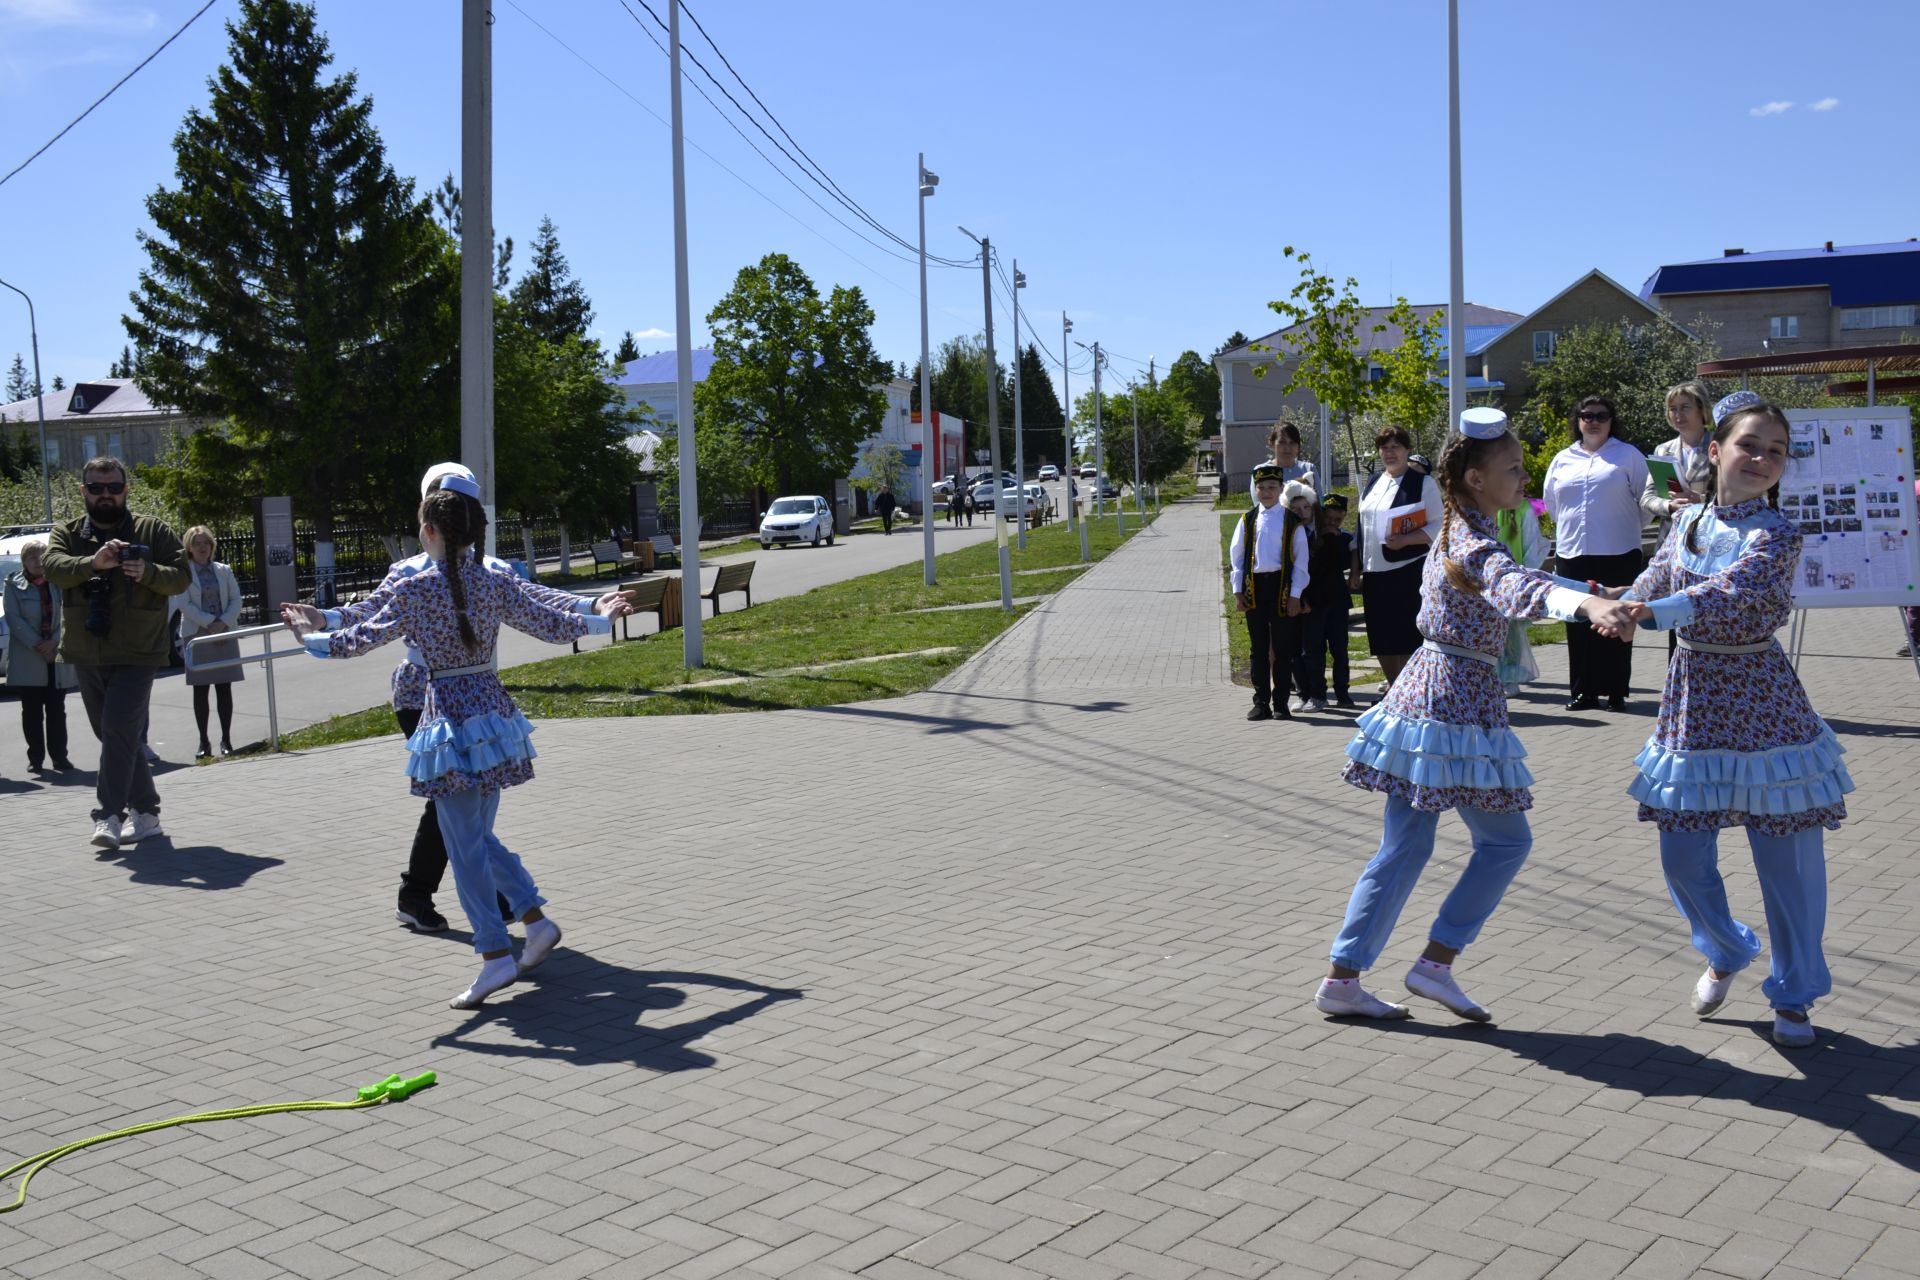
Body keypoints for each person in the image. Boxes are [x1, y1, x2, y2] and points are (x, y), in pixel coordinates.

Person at [1316, 408, 1640, 1020]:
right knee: (1501, 843)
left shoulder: (1460, 526)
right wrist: (1582, 607)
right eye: (1513, 469)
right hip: (1451, 701)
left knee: (1411, 847)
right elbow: (1514, 584)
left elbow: (1518, 578)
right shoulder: (1470, 540)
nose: (1524, 479)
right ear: (1473, 479)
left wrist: (1589, 596)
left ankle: (1349, 977)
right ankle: (1430, 964)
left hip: (1442, 693)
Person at [293, 478, 631, 1008]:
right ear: (475, 533)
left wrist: (308, 635)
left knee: (464, 844)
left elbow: (356, 640)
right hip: (492, 715)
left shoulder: (415, 586)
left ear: (427, 531)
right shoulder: (492, 578)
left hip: (448, 717)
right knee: (472, 834)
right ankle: (534, 921)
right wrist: (597, 615)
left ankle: (495, 955)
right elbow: (549, 622)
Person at [1620, 394, 1852, 1048]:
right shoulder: (1689, 523)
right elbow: (1654, 578)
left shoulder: (1777, 534)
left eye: (1776, 451)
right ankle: (1725, 948)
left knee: (1788, 861)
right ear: (1716, 451)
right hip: (1693, 701)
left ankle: (1796, 993)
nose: (1762, 459)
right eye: (1750, 445)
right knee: (1681, 853)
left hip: (1762, 699)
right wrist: (1607, 605)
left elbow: (1729, 593)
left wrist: (1650, 615)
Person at [42, 456, 189, 849]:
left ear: (126, 489)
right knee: (114, 736)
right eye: (96, 488)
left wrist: (148, 572)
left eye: (113, 487)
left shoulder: (152, 530)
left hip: (139, 650)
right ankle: (148, 813)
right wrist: (93, 562)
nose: (105, 494)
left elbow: (181, 577)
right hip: (87, 650)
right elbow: (53, 566)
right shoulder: (67, 532)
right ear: (83, 491)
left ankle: (108, 814)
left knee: (118, 729)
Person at [1543, 394, 1650, 711]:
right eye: (1587, 415)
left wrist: (1620, 524)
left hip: (1618, 551)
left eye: (1601, 416)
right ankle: (1583, 692)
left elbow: (1647, 503)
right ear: (1577, 421)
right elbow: (1552, 504)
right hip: (1573, 553)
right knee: (1578, 627)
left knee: (1617, 623)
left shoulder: (1628, 455)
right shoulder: (1563, 459)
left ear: (1611, 420)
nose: (1594, 421)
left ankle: (1616, 692)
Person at [1350, 425, 1442, 690]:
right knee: (1381, 635)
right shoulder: (1373, 482)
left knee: (1406, 634)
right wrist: (1356, 569)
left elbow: (1439, 525)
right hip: (1373, 570)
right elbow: (1360, 527)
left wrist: (1406, 540)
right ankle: (1394, 688)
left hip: (1406, 569)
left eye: (1396, 447)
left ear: (1407, 450)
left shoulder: (1422, 482)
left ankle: (1410, 690)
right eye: (1385, 447)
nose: (1390, 453)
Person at [1640, 381, 1717, 659]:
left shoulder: (1719, 445)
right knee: (1676, 619)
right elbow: (1647, 498)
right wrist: (1670, 505)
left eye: (1685, 407)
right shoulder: (1664, 450)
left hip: (1711, 545)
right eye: (1672, 409)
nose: (1678, 414)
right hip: (1673, 547)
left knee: (1705, 618)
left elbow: (1735, 495)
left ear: (1702, 410)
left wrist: (1700, 500)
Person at [1230, 463, 1310, 721]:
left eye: (1272, 487)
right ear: (1256, 489)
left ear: (1280, 489)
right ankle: (1260, 701)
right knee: (1259, 648)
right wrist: (1237, 590)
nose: (1266, 492)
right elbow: (1238, 557)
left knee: (1283, 649)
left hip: (1282, 589)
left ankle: (1281, 704)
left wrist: (1296, 594)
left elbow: (1300, 561)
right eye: (1261, 487)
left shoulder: (1291, 522)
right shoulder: (1247, 520)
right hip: (1254, 588)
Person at [5, 539, 78, 774]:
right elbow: (14, 619)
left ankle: (60, 758)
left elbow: (68, 614)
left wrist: (54, 642)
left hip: (56, 655)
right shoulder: (13, 585)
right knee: (32, 711)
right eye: (32, 557)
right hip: (30, 656)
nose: (37, 562)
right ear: (24, 561)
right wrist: (39, 645)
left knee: (57, 710)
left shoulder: (60, 583)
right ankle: (35, 758)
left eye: (41, 556)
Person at [178, 525, 244, 759]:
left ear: (212, 545)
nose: (202, 547)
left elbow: (236, 599)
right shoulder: (184, 572)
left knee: (224, 687)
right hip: (197, 633)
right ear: (189, 547)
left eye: (206, 542)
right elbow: (184, 604)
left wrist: (222, 623)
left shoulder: (223, 570)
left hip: (224, 631)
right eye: (197, 543)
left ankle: (226, 740)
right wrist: (209, 624)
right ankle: (203, 742)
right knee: (201, 689)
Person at [1298, 493, 1355, 711]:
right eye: (1327, 519)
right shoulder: (1311, 537)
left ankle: (1343, 692)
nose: (1331, 523)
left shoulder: (1345, 539)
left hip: (1337, 600)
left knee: (1340, 648)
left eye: (1337, 520)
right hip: (1315, 599)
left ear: (1343, 517)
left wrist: (1335, 538)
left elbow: (1345, 563)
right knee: (1313, 649)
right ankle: (1317, 694)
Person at [1494, 498, 1548, 695]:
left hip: (1512, 580)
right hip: (1488, 583)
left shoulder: (1522, 509)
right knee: (1494, 632)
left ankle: (1510, 676)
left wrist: (1526, 579)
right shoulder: (1482, 505)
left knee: (1512, 634)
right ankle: (1496, 676)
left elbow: (1531, 546)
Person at [1248, 419, 1316, 498]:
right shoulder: (1261, 470)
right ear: (1272, 444)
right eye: (1282, 442)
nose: (1287, 448)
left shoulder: (1309, 469)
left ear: (1298, 446)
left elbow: (1319, 504)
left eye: (1292, 442)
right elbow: (1259, 504)